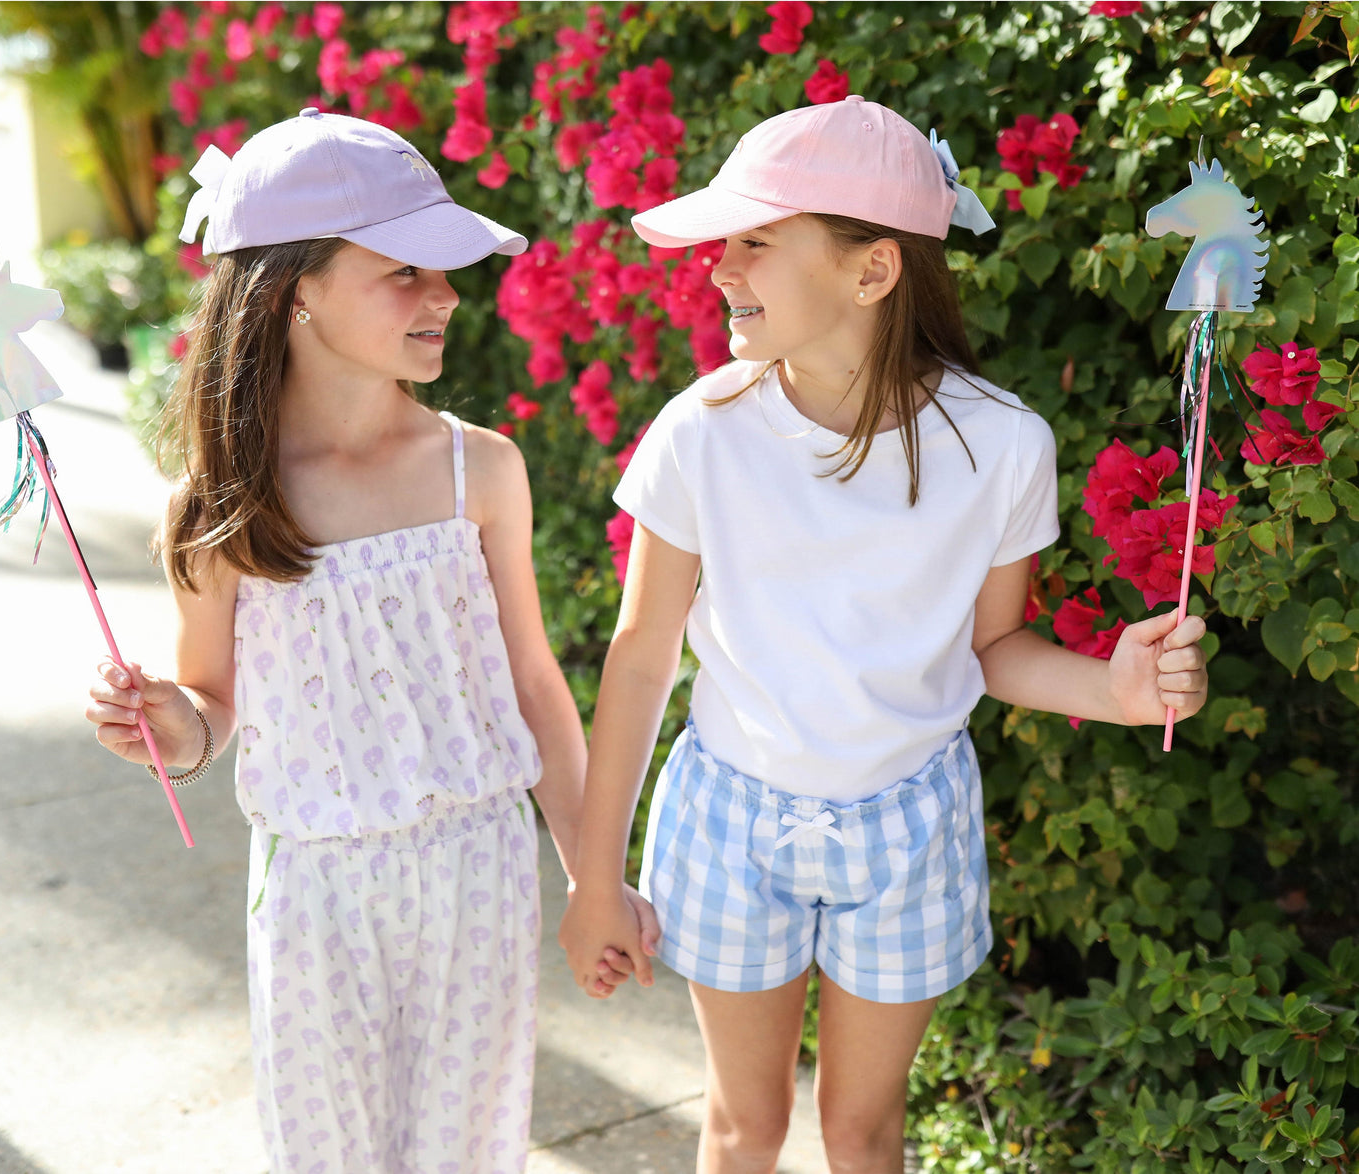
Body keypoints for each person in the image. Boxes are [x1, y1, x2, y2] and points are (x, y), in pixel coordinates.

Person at [559, 97, 1210, 1174]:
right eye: (725, 244)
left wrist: (1120, 689)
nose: (719, 269)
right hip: (729, 817)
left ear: (871, 272)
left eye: (755, 242)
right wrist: (594, 880)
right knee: (742, 1126)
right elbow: (637, 662)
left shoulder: (1002, 446)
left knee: (863, 1134)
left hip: (909, 831)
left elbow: (992, 652)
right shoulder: (701, 433)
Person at [84, 109, 653, 1174]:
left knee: (467, 1152)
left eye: (445, 269)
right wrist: (171, 722)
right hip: (316, 891)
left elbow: (532, 682)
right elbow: (212, 701)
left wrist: (592, 876)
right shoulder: (219, 507)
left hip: (476, 872)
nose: (444, 295)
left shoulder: (477, 472)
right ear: (294, 289)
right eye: (405, 270)